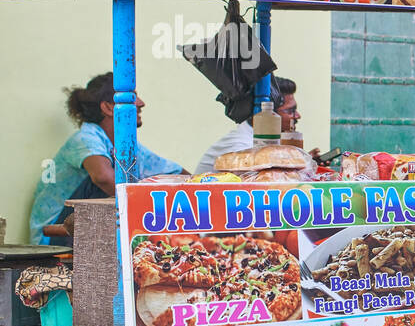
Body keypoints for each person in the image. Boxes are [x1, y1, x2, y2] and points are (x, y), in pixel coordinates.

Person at [30, 73, 185, 245]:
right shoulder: (85, 138)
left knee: (147, 180)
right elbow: (103, 178)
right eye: (133, 97)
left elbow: (177, 174)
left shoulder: (127, 146)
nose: (141, 103)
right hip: (54, 237)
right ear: (108, 108)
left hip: (83, 235)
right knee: (117, 180)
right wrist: (148, 213)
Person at [195, 76, 301, 174]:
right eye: (290, 110)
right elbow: (262, 183)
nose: (297, 116)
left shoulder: (265, 142)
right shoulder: (241, 146)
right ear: (269, 113)